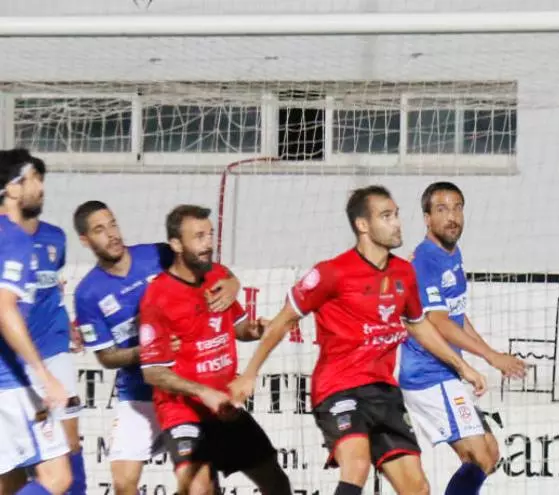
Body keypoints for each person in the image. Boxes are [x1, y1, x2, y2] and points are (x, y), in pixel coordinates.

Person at [229, 185, 487, 495]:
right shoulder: (331, 273)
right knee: (358, 465)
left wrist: (462, 366)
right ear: (362, 225)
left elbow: (419, 325)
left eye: (396, 215)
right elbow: (283, 321)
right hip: (338, 388)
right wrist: (250, 373)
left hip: (384, 391)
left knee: (417, 488)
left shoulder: (404, 273)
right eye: (386, 216)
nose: (397, 223)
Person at [72, 200, 240, 495]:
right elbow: (107, 357)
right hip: (138, 394)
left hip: (182, 388)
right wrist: (149, 352)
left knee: (201, 484)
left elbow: (205, 266)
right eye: (100, 230)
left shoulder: (156, 254)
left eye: (113, 224)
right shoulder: (87, 293)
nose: (112, 234)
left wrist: (233, 282)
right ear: (85, 240)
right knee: (123, 483)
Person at [139, 204, 290, 495]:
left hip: (225, 405)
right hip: (183, 410)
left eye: (210, 234)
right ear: (176, 244)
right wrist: (202, 392)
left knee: (277, 483)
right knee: (200, 488)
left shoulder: (217, 276)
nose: (208, 243)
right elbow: (153, 372)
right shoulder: (158, 297)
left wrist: (255, 330)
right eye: (199, 237)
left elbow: (239, 328)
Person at [399, 181, 526, 494]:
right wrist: (489, 356)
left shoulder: (452, 254)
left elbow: (455, 314)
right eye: (442, 209)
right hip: (428, 375)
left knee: (489, 453)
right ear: (427, 218)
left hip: (446, 372)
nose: (452, 217)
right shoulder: (425, 260)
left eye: (457, 208)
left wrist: (490, 353)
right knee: (478, 456)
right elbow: (438, 322)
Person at [0, 149, 71, 495]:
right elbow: (4, 309)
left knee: (10, 483)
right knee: (57, 478)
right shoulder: (13, 238)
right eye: (32, 179)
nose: (40, 187)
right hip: (10, 381)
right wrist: (44, 375)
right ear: (12, 188)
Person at [17, 182, 86, 495]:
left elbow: (51, 290)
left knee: (70, 442)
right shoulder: (6, 240)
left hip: (55, 351)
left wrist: (67, 325)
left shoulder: (55, 237)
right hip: (16, 361)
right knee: (19, 462)